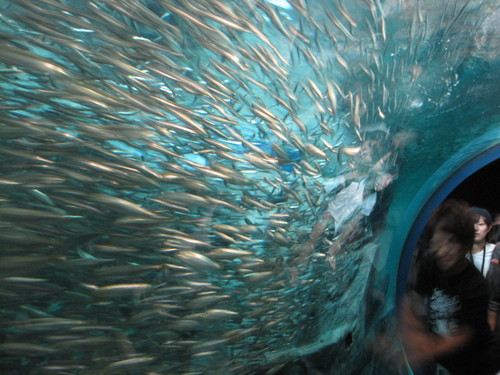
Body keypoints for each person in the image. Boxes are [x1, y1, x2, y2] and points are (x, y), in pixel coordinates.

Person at [399, 200, 500, 375]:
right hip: (444, 362)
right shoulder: (430, 265)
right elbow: (414, 300)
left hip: (479, 364)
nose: (443, 250)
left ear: (465, 243)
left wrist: (418, 350)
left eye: (451, 241)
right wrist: (410, 330)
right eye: (437, 242)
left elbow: (462, 337)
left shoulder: (476, 285)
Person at [467, 207, 495, 277]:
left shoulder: (496, 251)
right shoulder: (458, 252)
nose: (476, 228)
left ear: (489, 228)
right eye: (471, 224)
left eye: (481, 224)